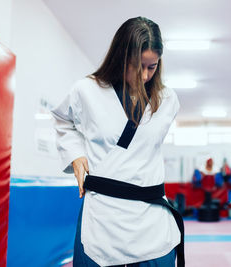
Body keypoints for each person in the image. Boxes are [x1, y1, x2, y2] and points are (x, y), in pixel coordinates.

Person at [51, 17, 183, 267]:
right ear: (121, 57)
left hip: (151, 219)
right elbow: (62, 120)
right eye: (137, 65)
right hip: (104, 216)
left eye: (152, 66)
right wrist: (75, 155)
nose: (144, 75)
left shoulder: (167, 100)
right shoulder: (86, 90)